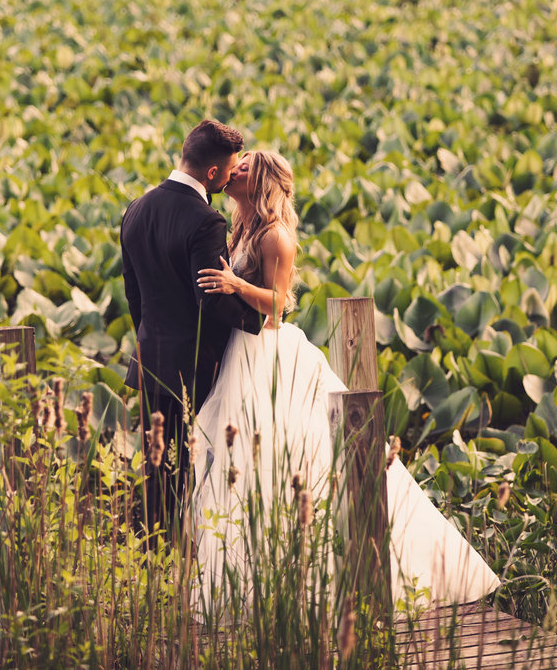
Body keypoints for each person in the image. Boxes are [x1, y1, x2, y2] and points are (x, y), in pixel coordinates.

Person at [192, 150, 500, 614]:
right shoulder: (241, 225)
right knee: (244, 464)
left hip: (269, 353)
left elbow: (278, 303)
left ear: (262, 181)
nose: (234, 168)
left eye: (245, 165)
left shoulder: (276, 235)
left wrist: (236, 286)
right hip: (242, 351)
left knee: (282, 457)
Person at [119, 119, 265, 537]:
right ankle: (180, 560)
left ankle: (154, 561)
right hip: (193, 371)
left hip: (150, 362)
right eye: (231, 168)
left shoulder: (136, 208)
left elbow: (135, 296)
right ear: (214, 173)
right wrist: (262, 320)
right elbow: (211, 302)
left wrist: (152, 342)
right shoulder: (206, 221)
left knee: (156, 468)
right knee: (190, 469)